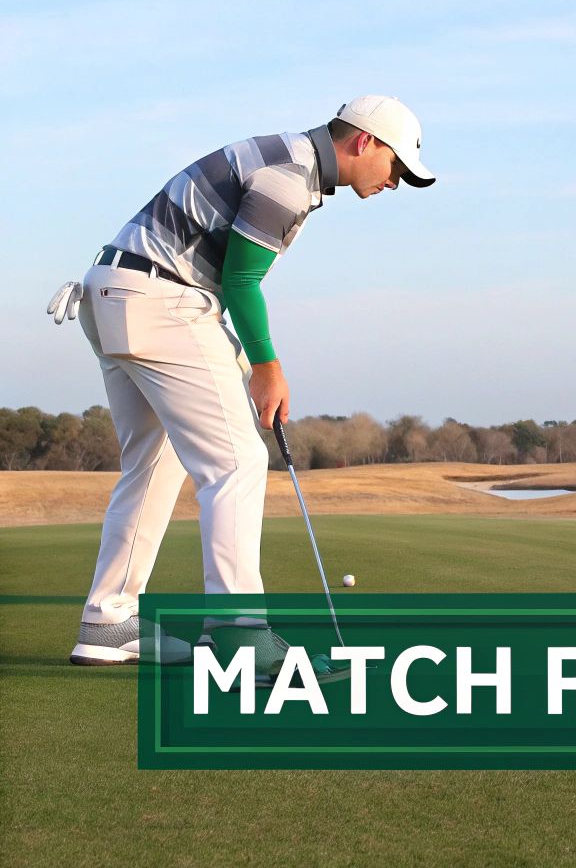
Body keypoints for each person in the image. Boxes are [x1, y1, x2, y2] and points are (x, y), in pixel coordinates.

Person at [49, 95, 436, 667]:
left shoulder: (285, 157)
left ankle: (108, 623)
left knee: (153, 465)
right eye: (395, 167)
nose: (395, 181)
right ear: (364, 143)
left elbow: (226, 278)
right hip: (162, 299)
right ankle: (238, 635)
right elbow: (242, 280)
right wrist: (267, 367)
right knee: (237, 463)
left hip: (113, 292)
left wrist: (244, 364)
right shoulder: (289, 177)